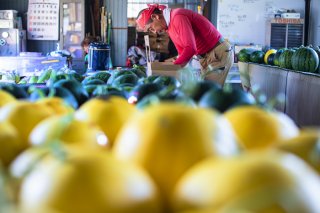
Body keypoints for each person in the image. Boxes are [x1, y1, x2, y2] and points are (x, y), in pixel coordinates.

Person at [136, 4, 234, 85]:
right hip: (206, 57)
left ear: (155, 17)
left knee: (210, 94)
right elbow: (182, 52)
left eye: (151, 28)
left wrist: (172, 69)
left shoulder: (178, 17)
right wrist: (169, 65)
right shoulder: (169, 27)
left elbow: (190, 48)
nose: (154, 32)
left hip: (217, 53)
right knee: (205, 91)